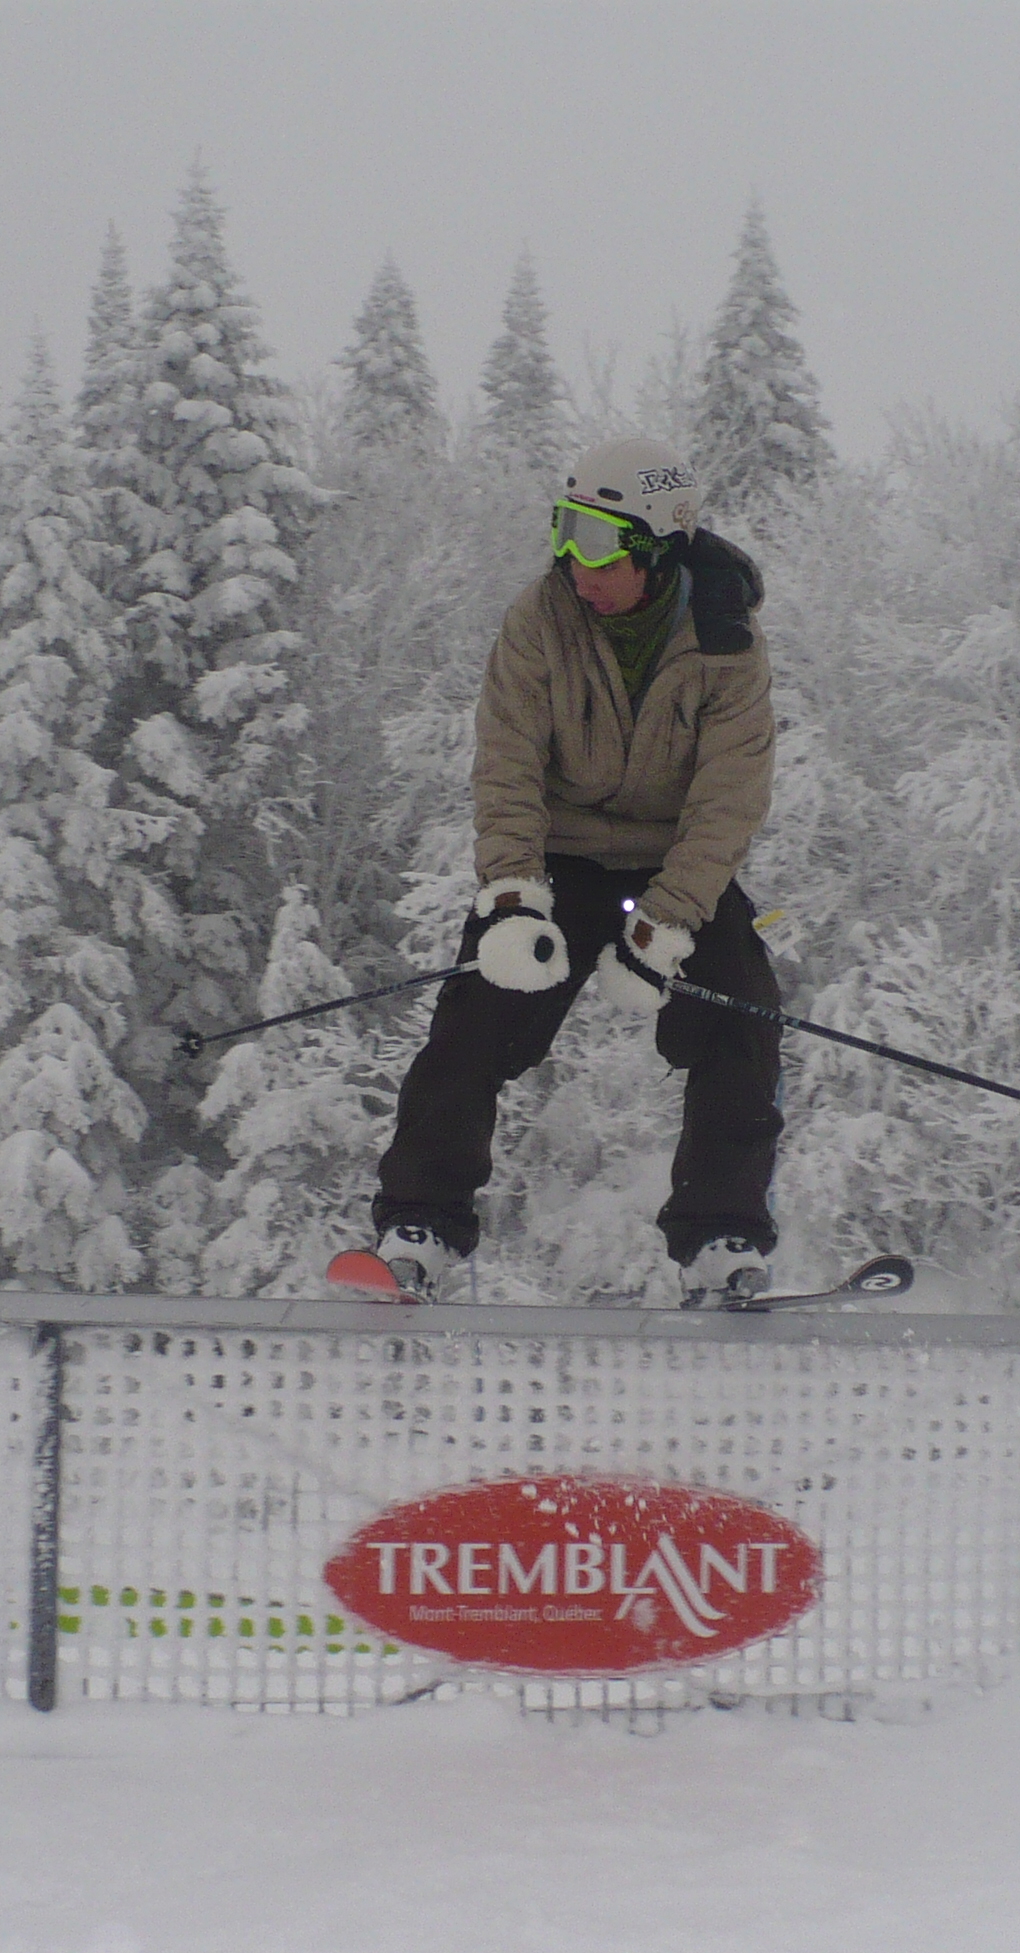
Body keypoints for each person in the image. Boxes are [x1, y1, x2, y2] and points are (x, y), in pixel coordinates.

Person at [367, 436, 784, 1303]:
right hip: (559, 857)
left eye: (598, 544)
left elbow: (729, 798)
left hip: (673, 868)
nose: (575, 564)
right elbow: (507, 767)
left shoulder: (726, 640)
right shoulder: (540, 620)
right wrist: (513, 897)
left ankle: (721, 1236)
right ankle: (420, 1227)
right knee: (475, 1016)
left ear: (657, 549)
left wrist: (669, 920)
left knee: (743, 1014)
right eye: (565, 532)